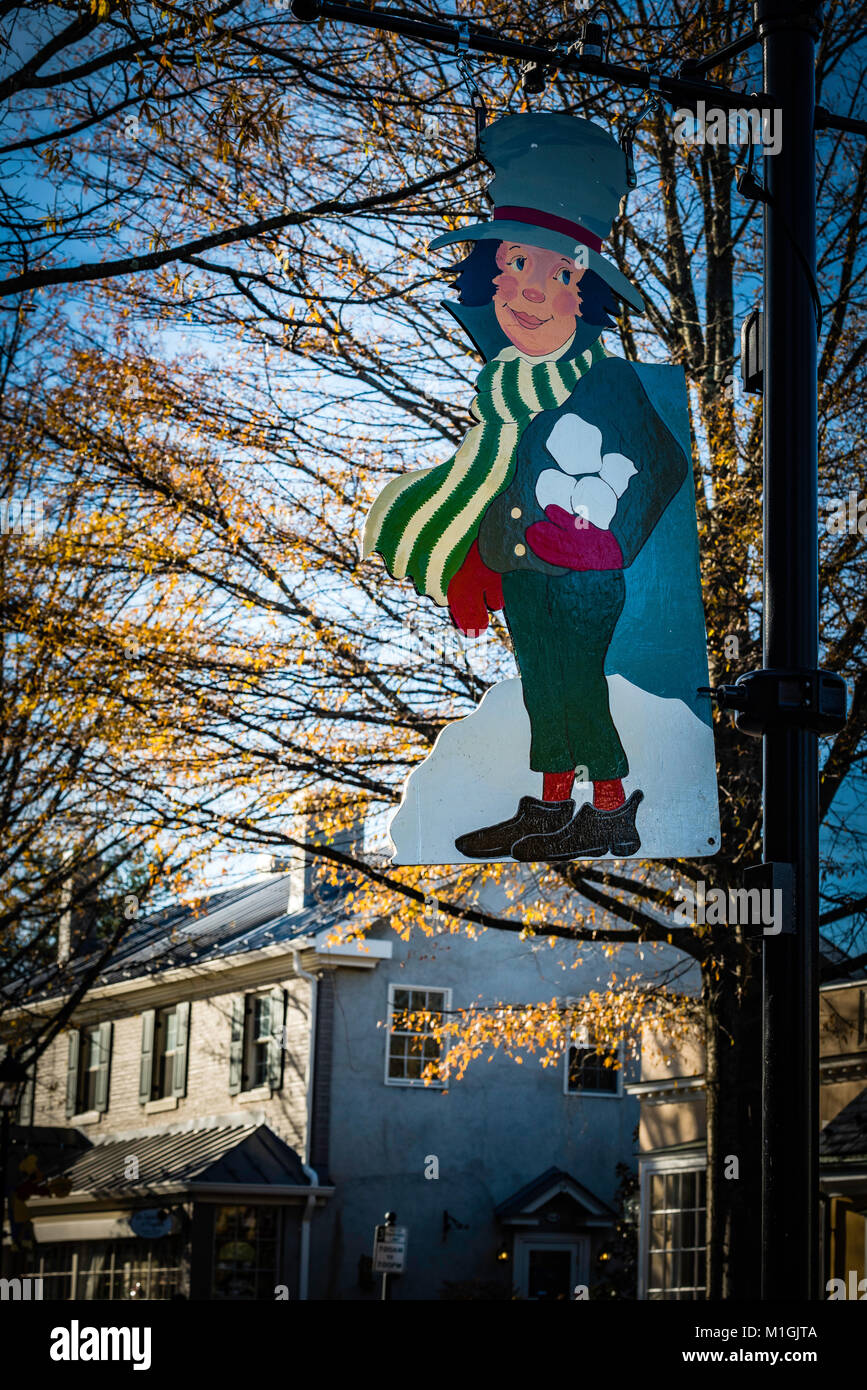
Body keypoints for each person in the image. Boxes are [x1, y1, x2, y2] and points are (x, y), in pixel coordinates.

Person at [363, 114, 688, 861]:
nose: (533, 291)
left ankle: (609, 806)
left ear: (586, 296)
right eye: (515, 264)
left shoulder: (603, 381)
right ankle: (549, 806)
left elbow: (662, 465)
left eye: (562, 273)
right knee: (545, 689)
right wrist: (478, 562)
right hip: (525, 575)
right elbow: (498, 486)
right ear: (488, 274)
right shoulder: (504, 392)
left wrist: (610, 540)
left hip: (586, 577)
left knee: (578, 688)